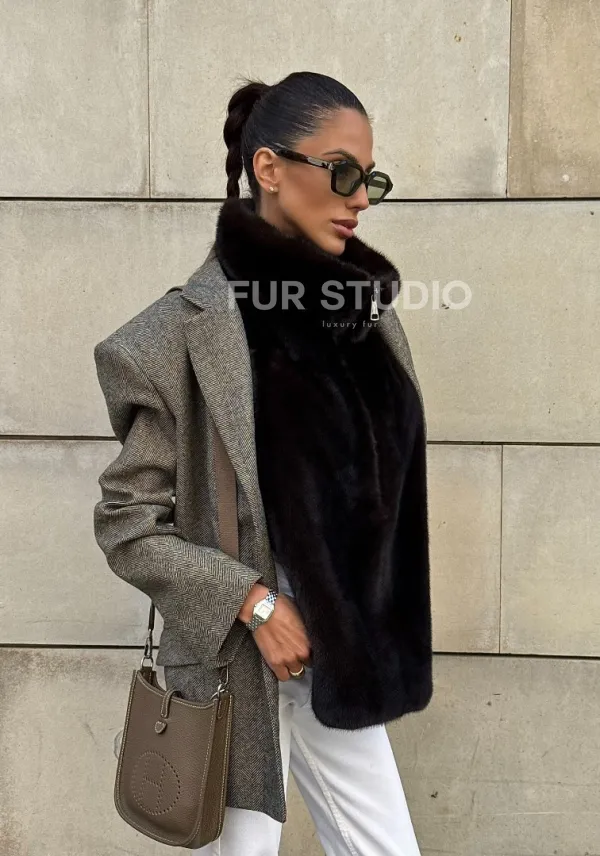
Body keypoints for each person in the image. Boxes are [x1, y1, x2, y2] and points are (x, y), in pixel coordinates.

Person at [93, 70, 432, 855]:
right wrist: (254, 604)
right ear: (269, 169)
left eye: (370, 178)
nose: (361, 198)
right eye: (341, 172)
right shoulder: (170, 339)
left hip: (337, 659)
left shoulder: (365, 320)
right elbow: (127, 524)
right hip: (237, 666)